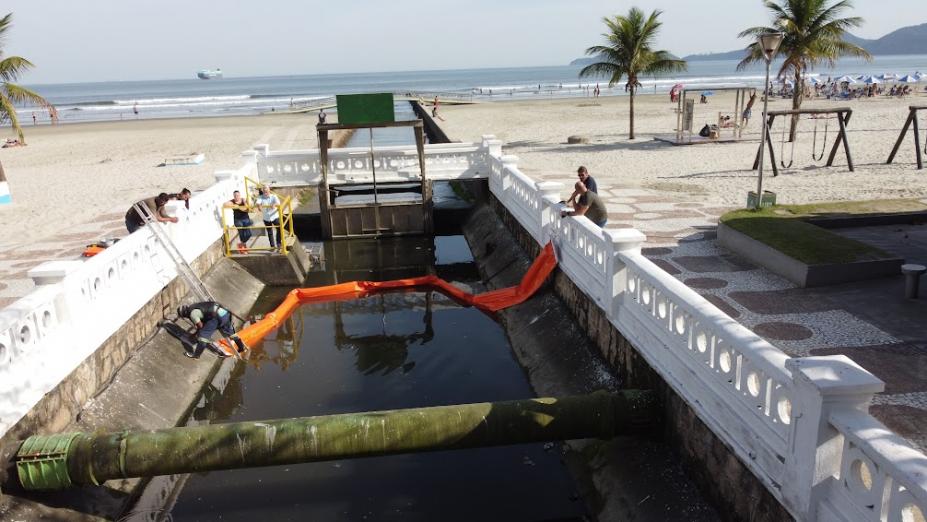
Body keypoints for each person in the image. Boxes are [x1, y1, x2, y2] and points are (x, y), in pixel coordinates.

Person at [177, 302, 247, 359]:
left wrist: (195, 334)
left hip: (215, 317)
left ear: (184, 314)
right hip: (225, 313)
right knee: (231, 334)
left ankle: (196, 355)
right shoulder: (194, 306)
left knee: (203, 336)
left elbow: (200, 326)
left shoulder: (192, 314)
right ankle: (241, 348)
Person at [255, 185, 282, 250]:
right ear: (263, 191)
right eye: (264, 190)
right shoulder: (261, 197)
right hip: (266, 218)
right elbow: (258, 202)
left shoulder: (273, 196)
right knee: (269, 232)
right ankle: (272, 246)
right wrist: (259, 206)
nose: (265, 191)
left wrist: (274, 204)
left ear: (269, 190)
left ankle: (278, 244)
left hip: (274, 216)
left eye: (266, 190)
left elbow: (278, 202)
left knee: (279, 229)